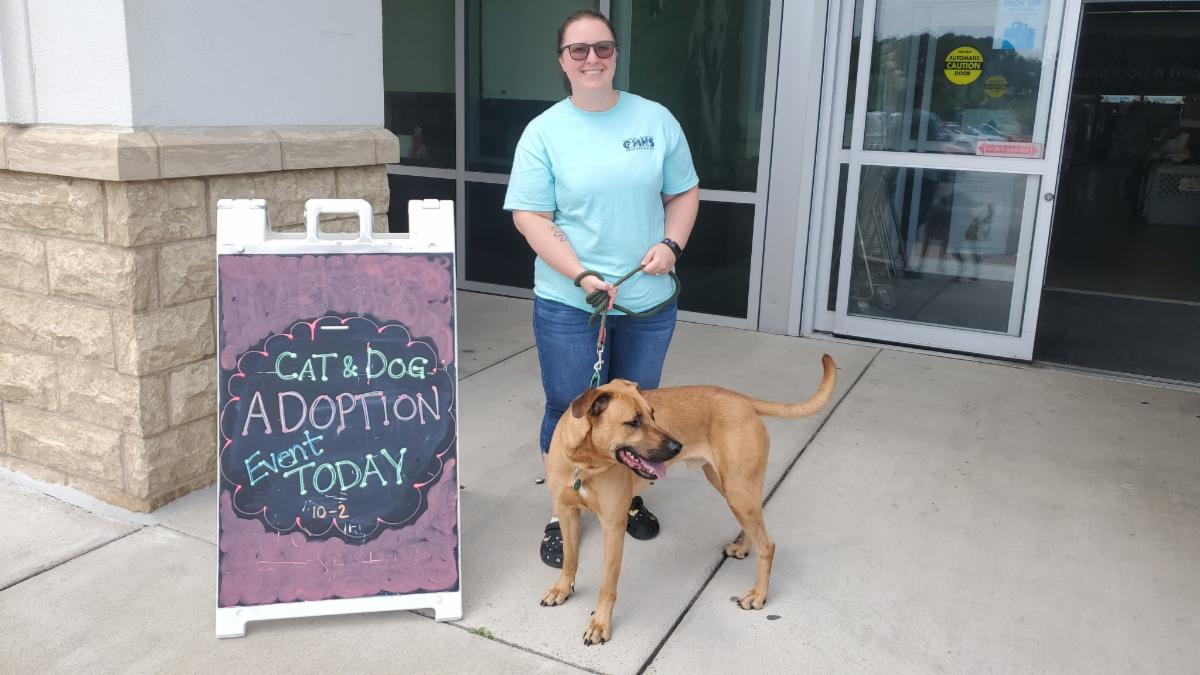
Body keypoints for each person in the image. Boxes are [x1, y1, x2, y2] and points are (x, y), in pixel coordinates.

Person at [503, 9, 700, 568]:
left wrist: (672, 245)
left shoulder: (655, 119)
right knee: (569, 410)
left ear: (616, 55)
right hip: (571, 302)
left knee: (638, 411)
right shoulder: (544, 131)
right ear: (562, 61)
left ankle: (628, 495)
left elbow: (684, 193)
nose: (593, 59)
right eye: (579, 50)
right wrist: (582, 275)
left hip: (647, 300)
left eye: (603, 48)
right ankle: (561, 505)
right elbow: (530, 216)